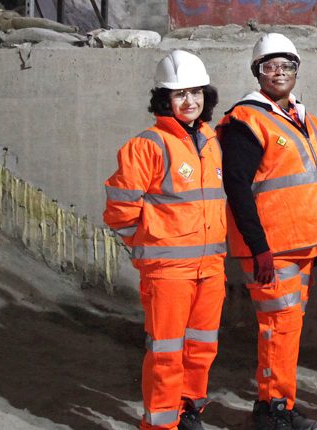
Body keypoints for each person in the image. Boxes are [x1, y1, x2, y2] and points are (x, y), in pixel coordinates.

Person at [103, 50, 226, 430]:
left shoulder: (209, 139)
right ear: (164, 100)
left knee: (201, 348)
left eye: (196, 93)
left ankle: (189, 412)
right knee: (167, 352)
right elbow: (121, 210)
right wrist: (146, 248)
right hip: (168, 270)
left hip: (211, 266)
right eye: (180, 95)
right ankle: (160, 424)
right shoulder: (147, 145)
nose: (190, 102)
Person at [218, 33, 317, 430]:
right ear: (257, 72)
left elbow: (313, 183)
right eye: (270, 67)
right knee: (277, 328)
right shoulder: (245, 120)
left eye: (287, 66)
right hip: (271, 249)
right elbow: (236, 187)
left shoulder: (302, 117)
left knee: (287, 329)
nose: (279, 73)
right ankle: (274, 410)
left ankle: (278, 402)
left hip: (301, 245)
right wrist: (258, 246)